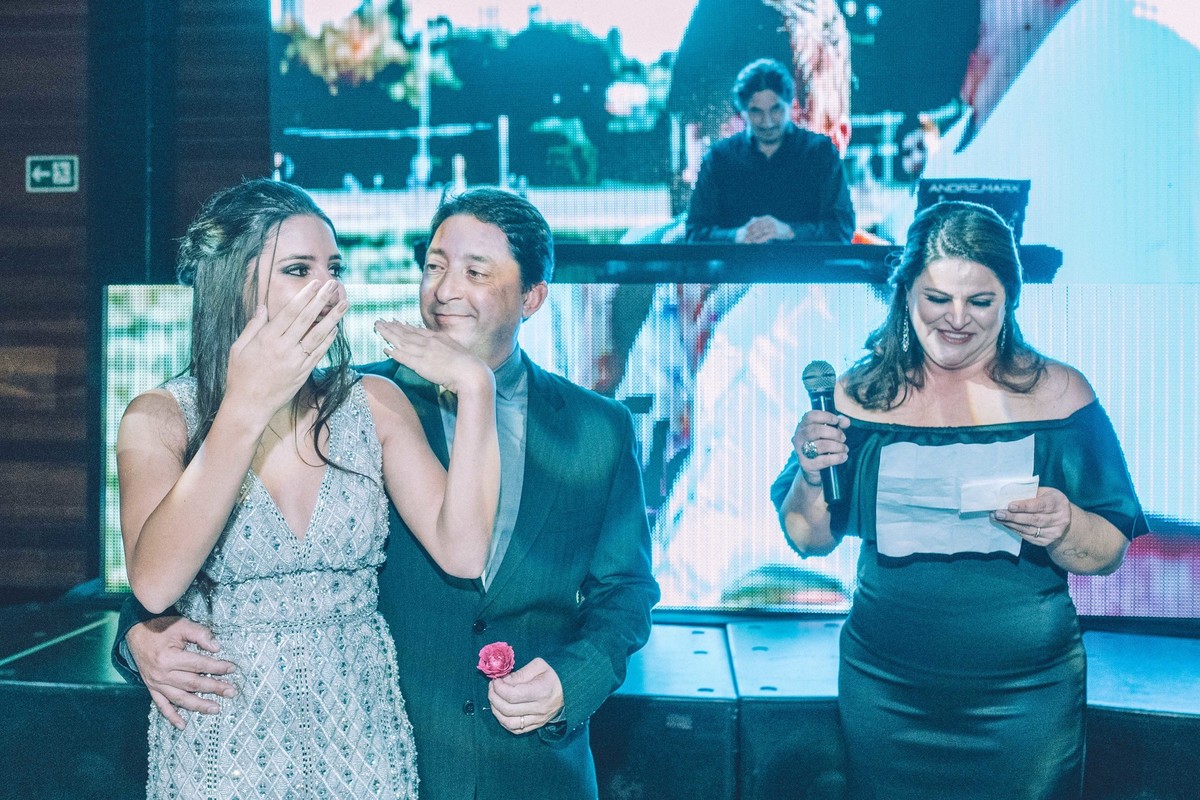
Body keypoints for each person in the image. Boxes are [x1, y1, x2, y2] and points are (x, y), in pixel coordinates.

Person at [112, 187, 660, 800]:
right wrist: (141, 633)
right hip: (255, 738)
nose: (446, 290)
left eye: (476, 272)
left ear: (533, 296)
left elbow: (620, 589)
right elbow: (157, 578)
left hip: (442, 749)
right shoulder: (360, 396)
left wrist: (474, 388)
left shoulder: (591, 428)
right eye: (434, 266)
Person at [115, 178, 501, 797]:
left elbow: (464, 552)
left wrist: (477, 389)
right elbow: (155, 584)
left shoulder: (374, 404)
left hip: (359, 729)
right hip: (224, 734)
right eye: (299, 269)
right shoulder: (159, 419)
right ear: (232, 285)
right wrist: (244, 406)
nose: (329, 289)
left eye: (334, 269)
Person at [771, 200, 1147, 799]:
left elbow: (1106, 553)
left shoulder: (1061, 395)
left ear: (1010, 300)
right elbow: (807, 538)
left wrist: (1067, 523)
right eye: (937, 298)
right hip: (886, 688)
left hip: (1026, 698)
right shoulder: (855, 395)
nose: (956, 319)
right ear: (905, 294)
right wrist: (813, 477)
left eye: (980, 301)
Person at [684, 56, 854, 243]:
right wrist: (736, 236)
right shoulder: (719, 158)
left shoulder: (820, 153)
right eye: (756, 111)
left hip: (804, 262)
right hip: (738, 262)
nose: (768, 122)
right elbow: (694, 232)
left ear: (791, 105)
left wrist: (789, 232)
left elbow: (842, 228)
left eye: (776, 109)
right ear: (742, 112)